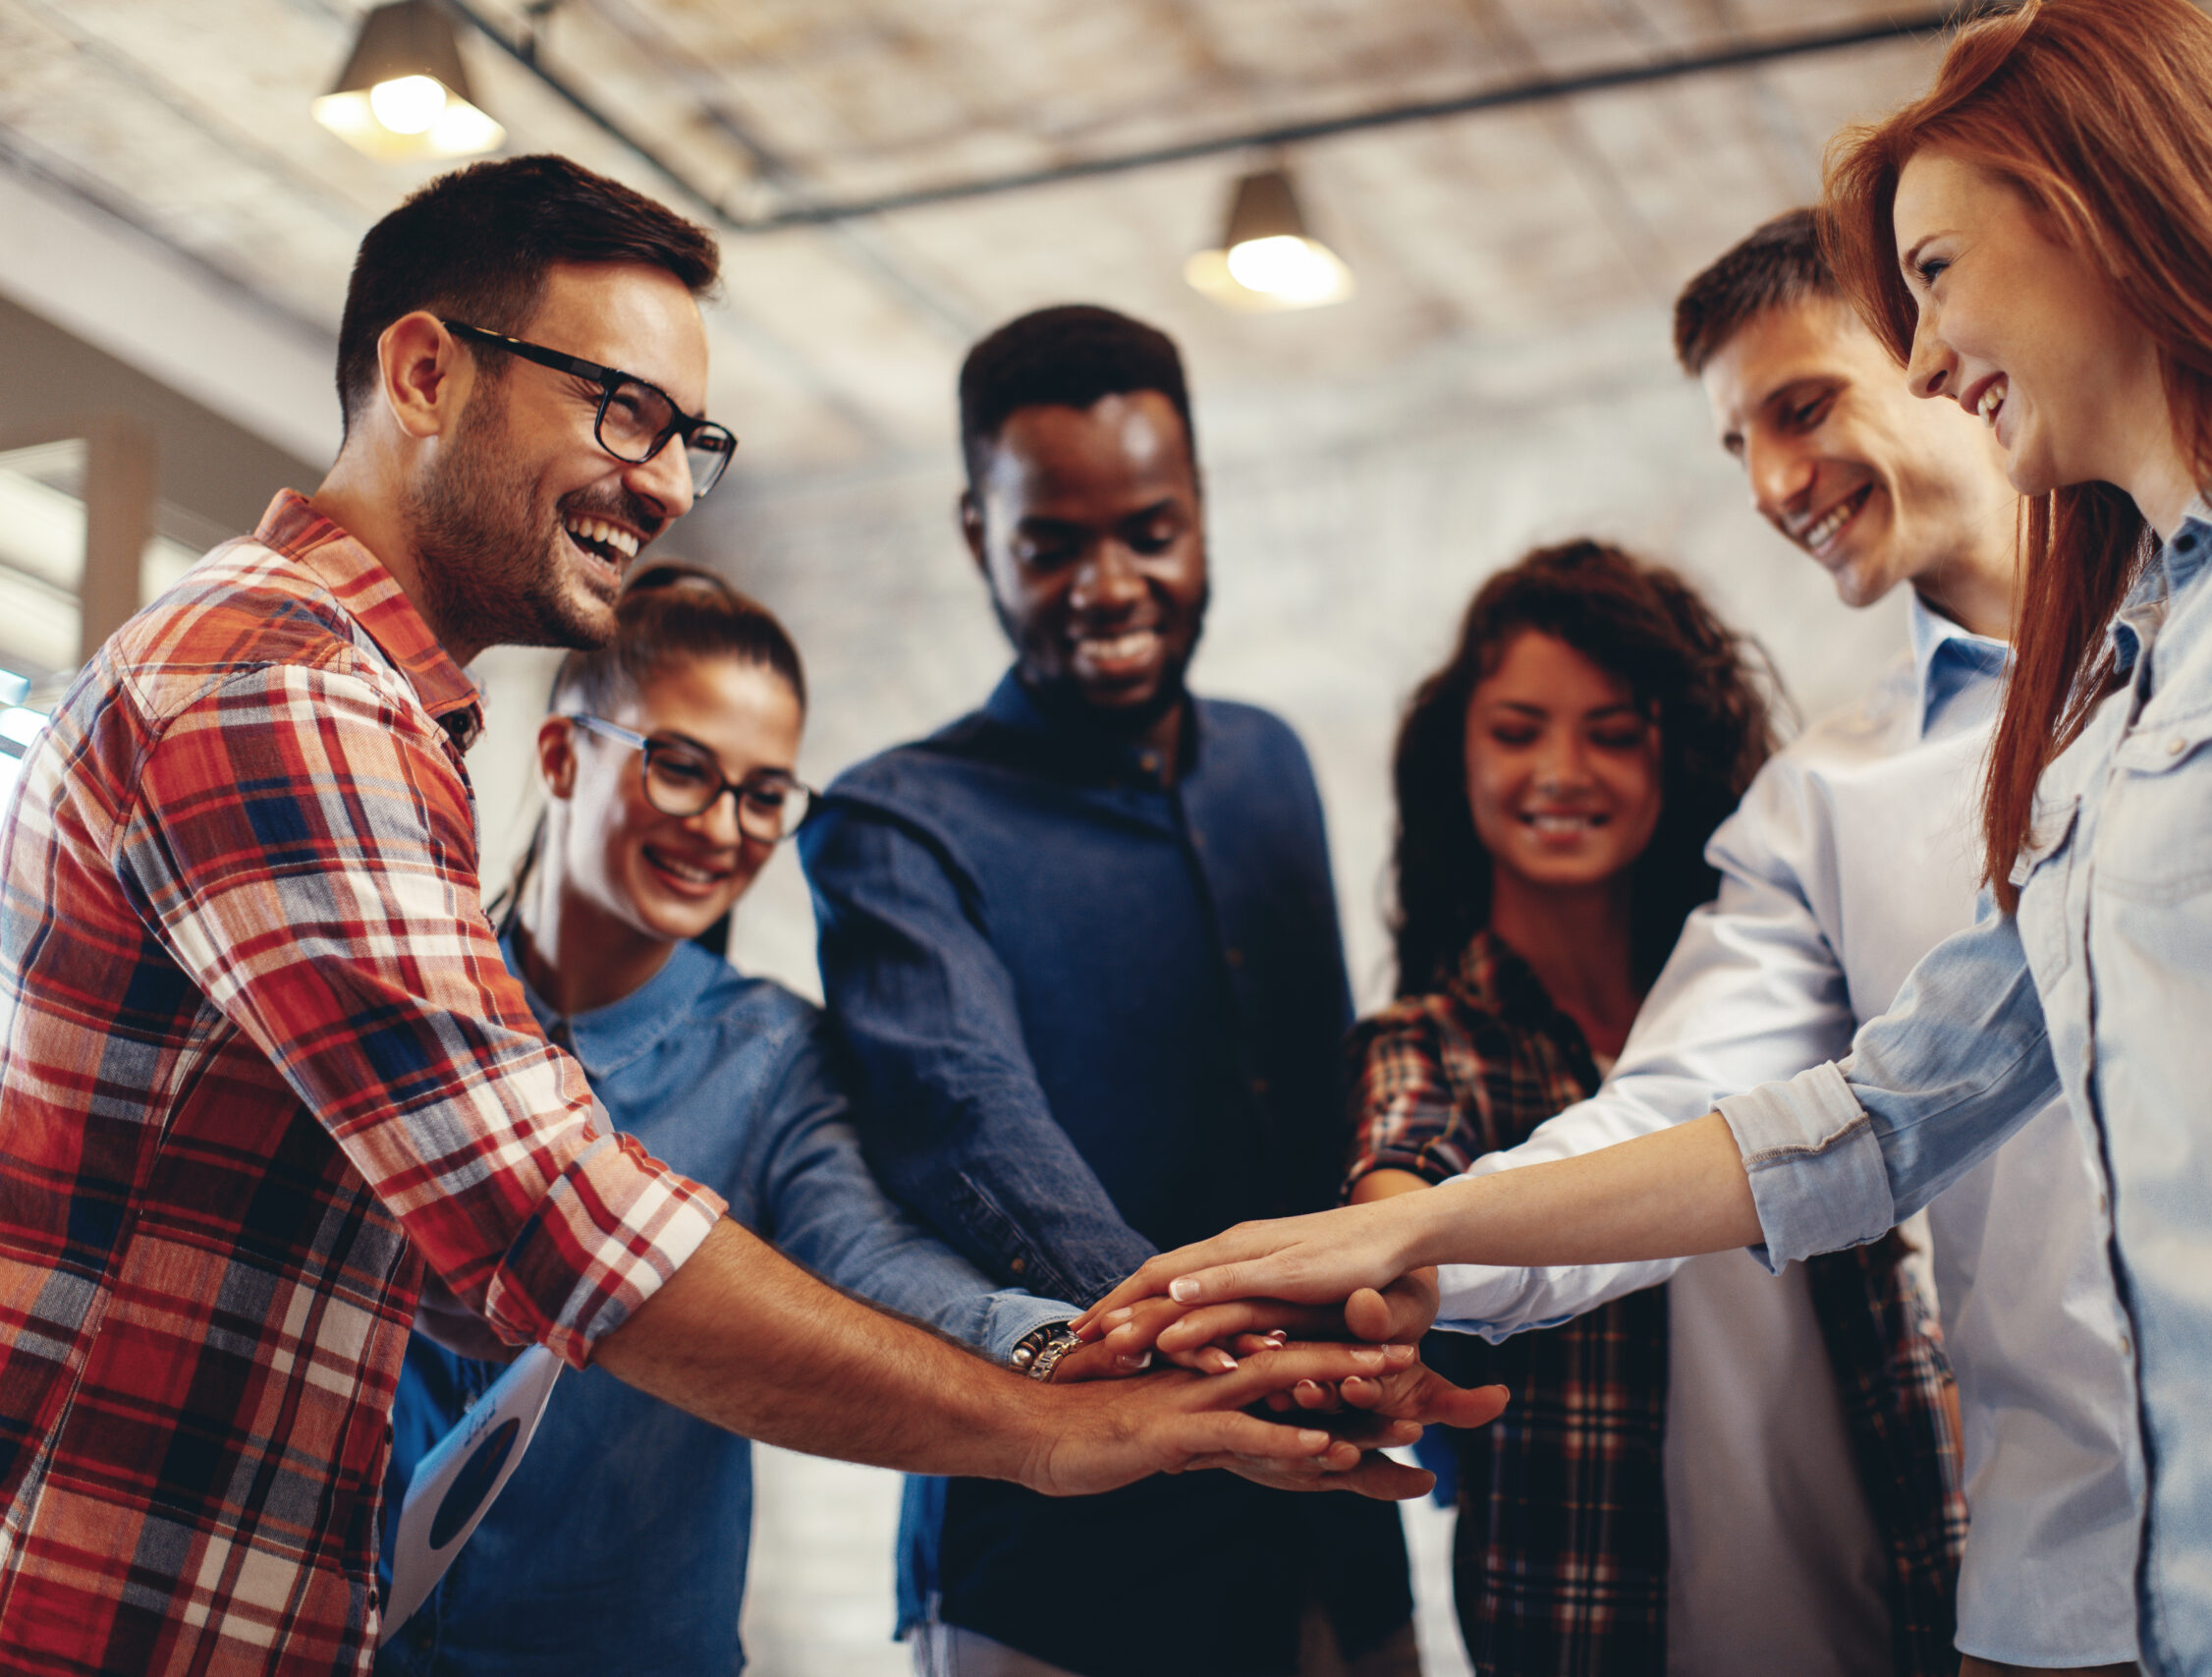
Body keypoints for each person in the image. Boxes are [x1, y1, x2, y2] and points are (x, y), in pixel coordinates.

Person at [1080, 1, 2212, 1672]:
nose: (1928, 356)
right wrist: (1414, 1227)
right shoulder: (2099, 728)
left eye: (1933, 277)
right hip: (2174, 1600)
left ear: (2099, 216)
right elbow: (1870, 1116)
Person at [0, 157, 1413, 1677]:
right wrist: (1056, 1422)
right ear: (424, 373)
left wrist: (1065, 1340)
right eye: (625, 409)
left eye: (690, 436)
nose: (671, 486)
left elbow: (775, 1243)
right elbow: (557, 1217)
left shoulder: (377, 723)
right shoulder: (285, 688)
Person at [1382, 212, 2140, 1677]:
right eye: (1742, 446)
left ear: (1943, 346)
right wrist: (1418, 1248)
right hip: (2059, 1591)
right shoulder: (1820, 798)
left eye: (1802, 408)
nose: (1775, 486)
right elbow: (1678, 1111)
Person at [804, 305, 1495, 1677]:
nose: (1108, 583)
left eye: (1150, 530)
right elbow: (967, 1124)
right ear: (977, 534)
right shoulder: (892, 821)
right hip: (1058, 1572)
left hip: (1333, 1538)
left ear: (1201, 513)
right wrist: (1229, 1350)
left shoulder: (1272, 766)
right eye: (1051, 543)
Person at [377, 563, 1188, 1675]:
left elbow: (871, 1259)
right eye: (682, 769)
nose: (724, 828)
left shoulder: (772, 1055)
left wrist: (1059, 1345)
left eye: (764, 795)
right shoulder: (415, 999)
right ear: (561, 755)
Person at [1346, 537, 1968, 1676]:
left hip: (1893, 1598)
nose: (1561, 770)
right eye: (1517, 731)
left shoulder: (1789, 993)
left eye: (1612, 732)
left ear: (1673, 753)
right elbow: (1398, 1184)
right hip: (1597, 1635)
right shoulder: (1433, 1040)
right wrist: (1387, 1274)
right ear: (1456, 755)